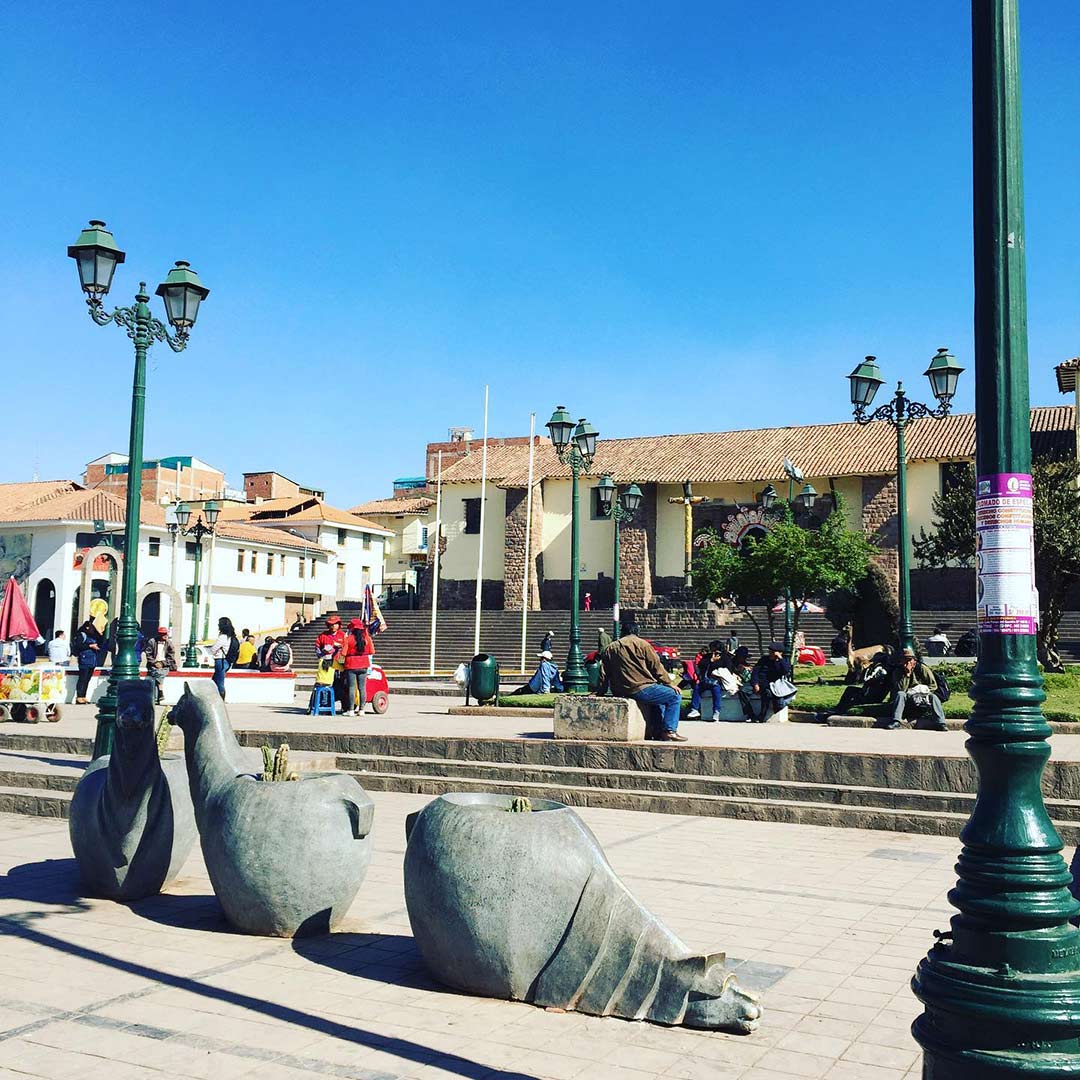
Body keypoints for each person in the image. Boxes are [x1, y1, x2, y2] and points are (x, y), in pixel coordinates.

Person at [598, 632, 685, 742]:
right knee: (674, 696)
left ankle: (656, 731)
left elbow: (604, 673)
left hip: (621, 690)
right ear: (637, 632)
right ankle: (670, 731)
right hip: (640, 688)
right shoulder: (643, 644)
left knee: (659, 700)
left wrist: (600, 691)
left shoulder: (610, 648)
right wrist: (668, 683)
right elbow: (656, 667)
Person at [877, 647, 947, 731]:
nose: (908, 662)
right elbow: (901, 689)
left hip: (922, 695)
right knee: (900, 694)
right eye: (905, 659)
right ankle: (896, 721)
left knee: (934, 697)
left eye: (910, 659)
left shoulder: (922, 668)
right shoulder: (898, 671)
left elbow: (933, 685)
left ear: (914, 660)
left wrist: (922, 691)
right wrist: (907, 674)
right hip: (908, 696)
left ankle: (941, 723)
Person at [748, 643, 795, 722]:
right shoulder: (764, 660)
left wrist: (779, 659)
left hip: (773, 685)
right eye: (770, 652)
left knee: (770, 696)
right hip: (760, 683)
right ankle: (750, 714)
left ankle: (761, 716)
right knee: (743, 691)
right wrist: (755, 684)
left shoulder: (782, 662)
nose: (770, 654)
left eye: (773, 652)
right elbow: (755, 672)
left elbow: (785, 671)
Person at [341, 618, 374, 716]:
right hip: (364, 665)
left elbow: (343, 653)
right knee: (362, 688)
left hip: (351, 665)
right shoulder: (367, 638)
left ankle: (351, 710)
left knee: (351, 688)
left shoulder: (349, 638)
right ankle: (362, 710)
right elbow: (372, 651)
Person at [315, 615, 347, 712]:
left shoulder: (343, 635)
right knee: (325, 685)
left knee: (342, 686)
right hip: (326, 665)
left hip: (340, 665)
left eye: (335, 624)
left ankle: (345, 707)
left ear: (339, 625)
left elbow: (347, 648)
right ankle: (325, 706)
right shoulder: (322, 636)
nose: (333, 626)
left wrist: (341, 647)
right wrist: (323, 652)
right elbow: (317, 649)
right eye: (331, 624)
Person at [686, 641, 724, 720]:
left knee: (716, 690)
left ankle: (716, 711)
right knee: (697, 688)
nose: (712, 651)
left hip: (717, 681)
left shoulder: (724, 657)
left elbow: (727, 668)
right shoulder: (707, 657)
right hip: (706, 680)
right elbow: (700, 665)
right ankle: (694, 709)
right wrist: (711, 660)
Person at [74, 618, 105, 703]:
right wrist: (90, 646)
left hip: (92, 659)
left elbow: (101, 643)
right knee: (82, 678)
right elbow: (79, 646)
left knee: (87, 679)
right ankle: (79, 696)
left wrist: (100, 634)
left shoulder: (94, 636)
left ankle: (84, 695)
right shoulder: (82, 634)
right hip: (84, 659)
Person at [145, 626, 177, 704]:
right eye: (163, 634)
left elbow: (171, 657)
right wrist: (155, 663)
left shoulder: (169, 643)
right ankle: (160, 692)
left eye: (166, 634)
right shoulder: (152, 642)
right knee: (157, 673)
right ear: (159, 634)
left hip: (165, 665)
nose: (165, 635)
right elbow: (148, 655)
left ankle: (159, 693)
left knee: (159, 674)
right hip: (153, 665)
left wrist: (162, 663)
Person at [210, 617, 238, 699]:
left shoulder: (223, 637)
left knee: (219, 682)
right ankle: (217, 698)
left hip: (220, 660)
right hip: (227, 661)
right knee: (216, 680)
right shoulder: (231, 637)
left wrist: (213, 651)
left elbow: (213, 649)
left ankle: (221, 699)